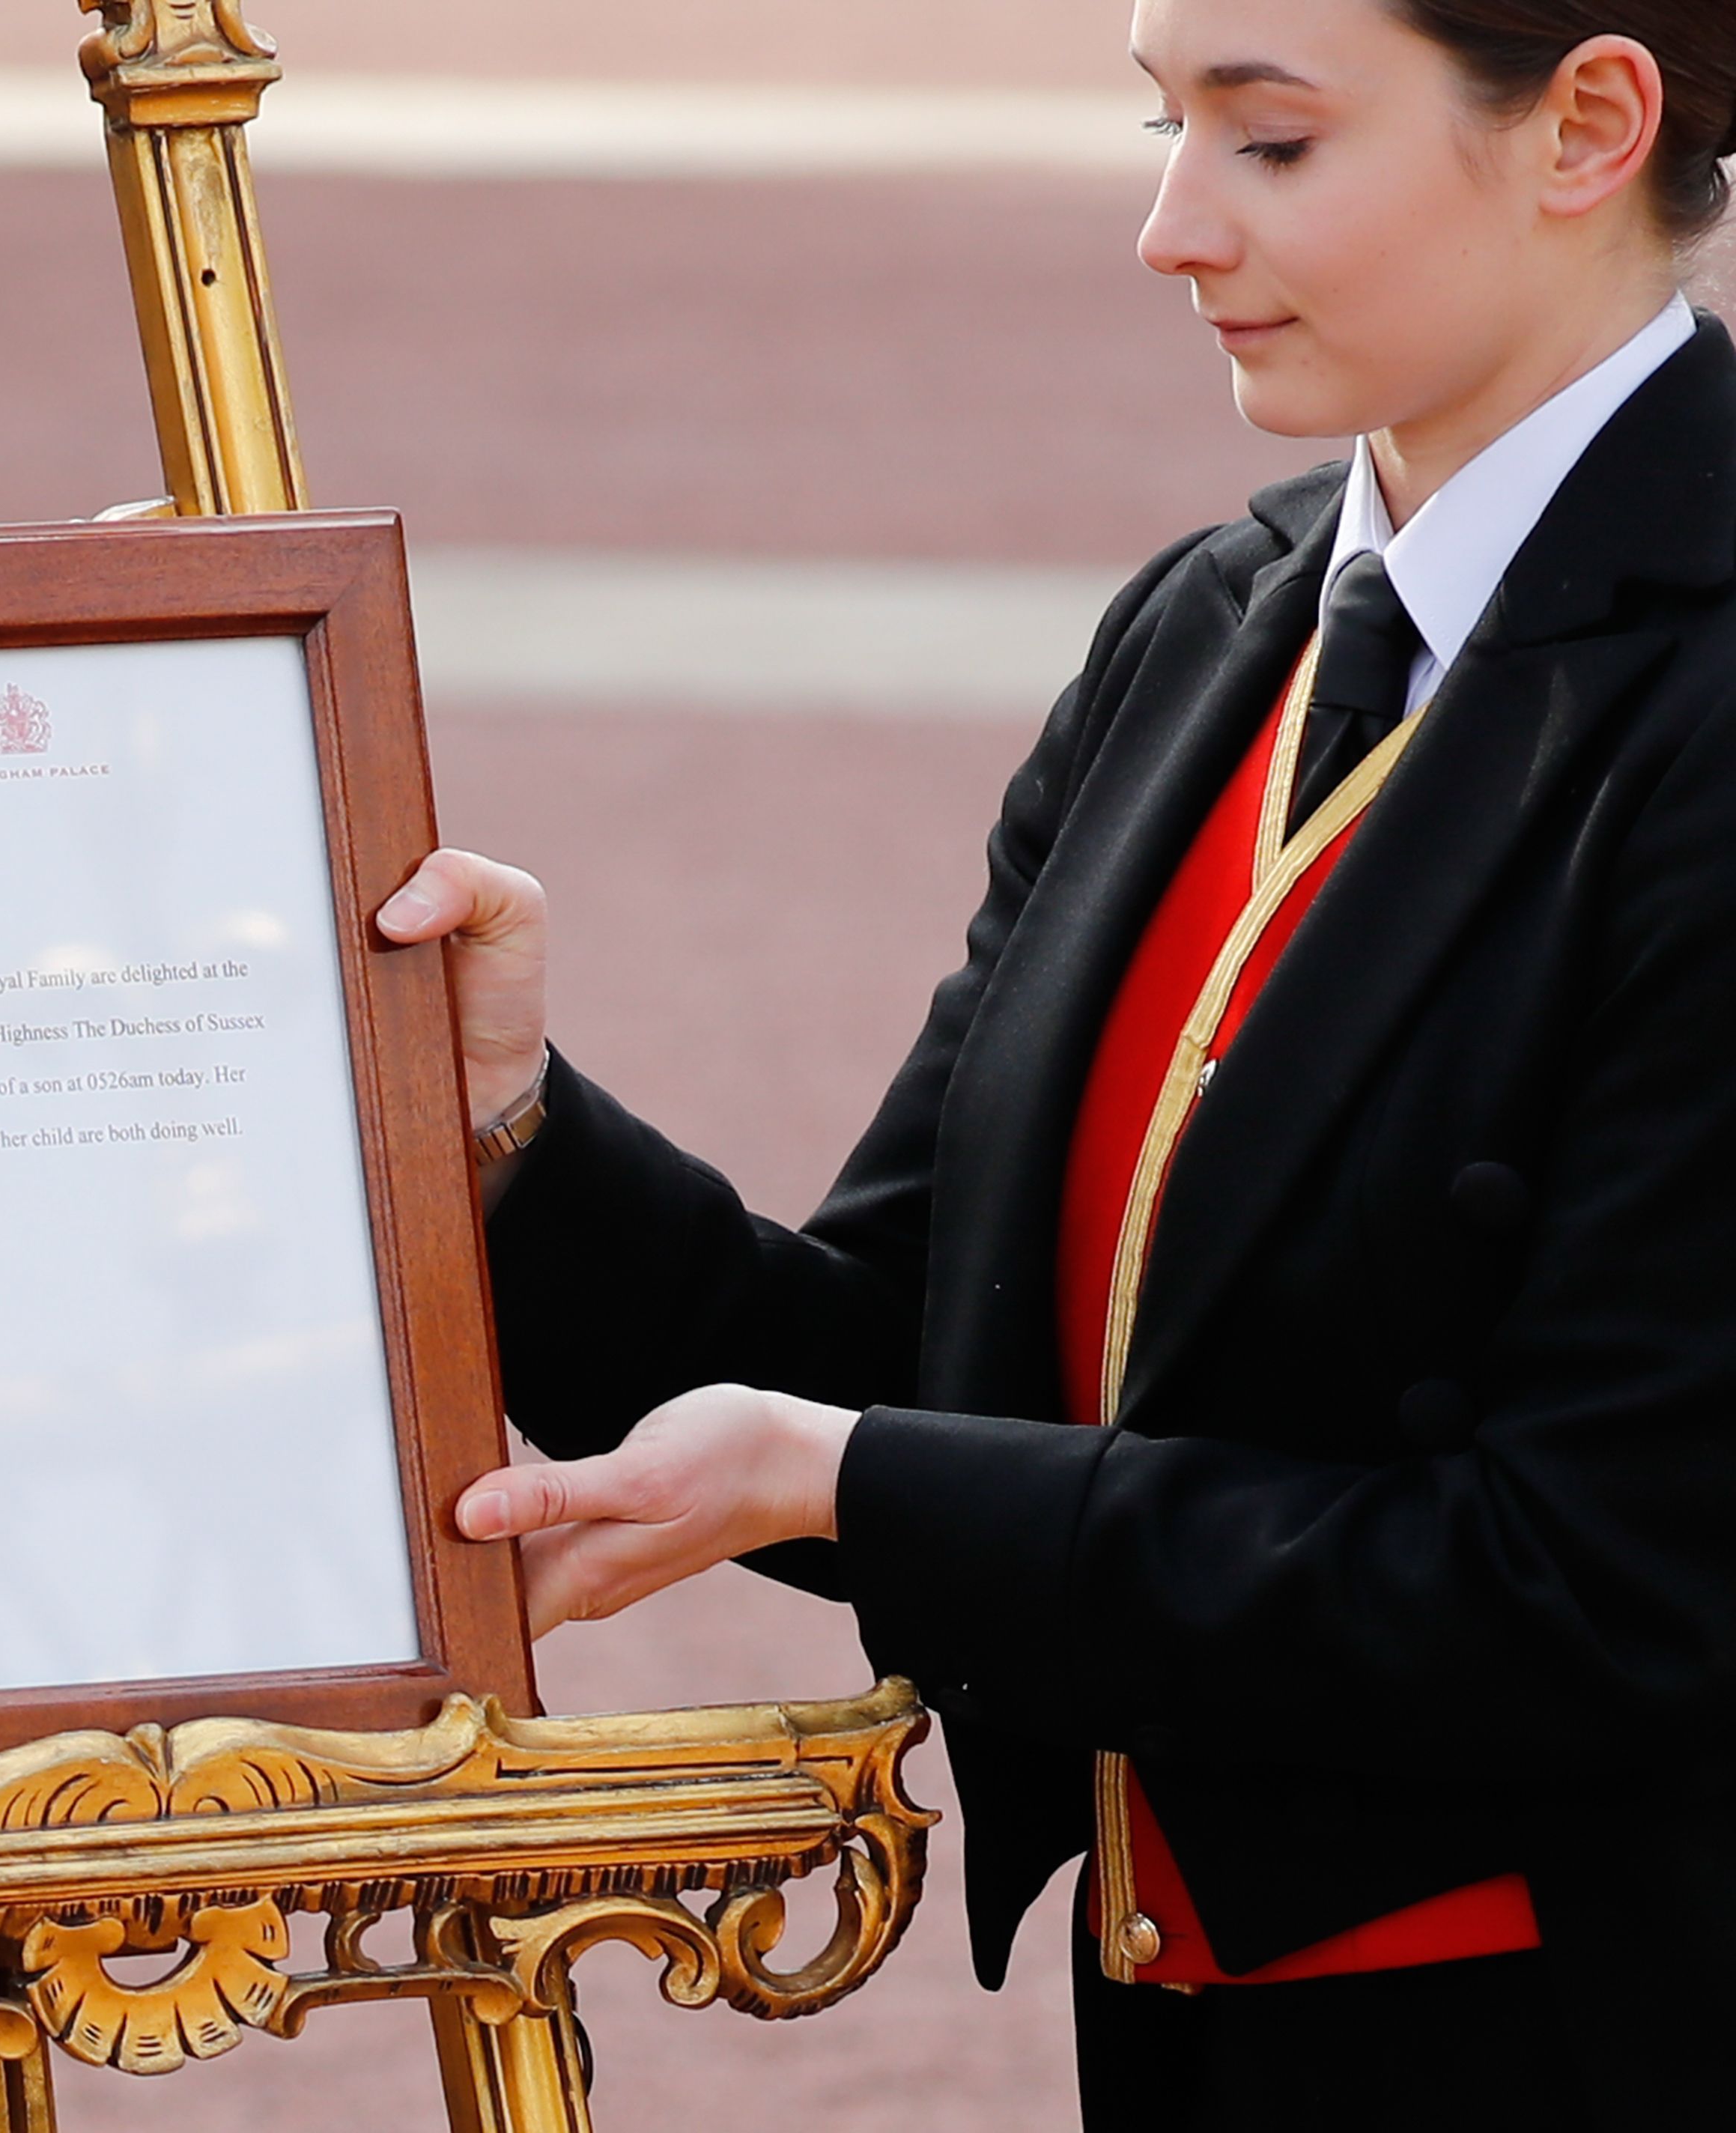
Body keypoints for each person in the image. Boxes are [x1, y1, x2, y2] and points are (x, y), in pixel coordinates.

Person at [377, 0, 1736, 2123]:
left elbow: (1593, 1587)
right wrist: (495, 1123)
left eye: (1269, 142)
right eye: (1159, 123)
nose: (1169, 226)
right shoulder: (1213, 625)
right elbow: (922, 1373)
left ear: (1587, 124)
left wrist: (846, 1478)